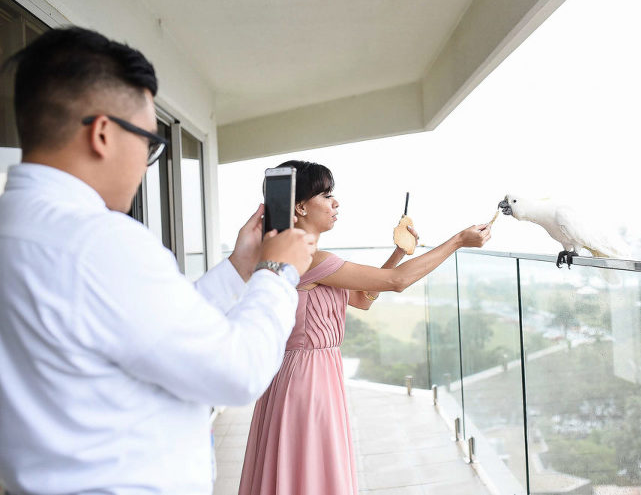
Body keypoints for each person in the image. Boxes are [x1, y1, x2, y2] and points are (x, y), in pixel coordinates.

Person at [0, 27, 316, 495]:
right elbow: (238, 371)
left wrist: (240, 267)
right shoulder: (99, 242)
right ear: (103, 133)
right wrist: (277, 273)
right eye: (149, 142)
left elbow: (145, 326)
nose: (146, 163)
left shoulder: (17, 227)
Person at [238, 160, 491, 495]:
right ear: (300, 207)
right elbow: (397, 282)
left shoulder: (295, 257)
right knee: (313, 469)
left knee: (298, 468)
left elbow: (361, 298)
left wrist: (398, 253)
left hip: (296, 373)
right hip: (308, 379)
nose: (335, 202)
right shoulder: (315, 260)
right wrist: (458, 240)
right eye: (326, 195)